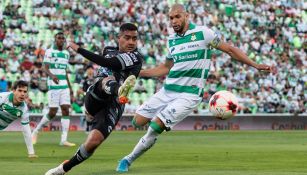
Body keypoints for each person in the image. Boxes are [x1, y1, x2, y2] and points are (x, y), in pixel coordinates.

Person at [116, 4, 273, 172]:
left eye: (177, 17)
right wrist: (138, 73)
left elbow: (230, 50)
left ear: (187, 16)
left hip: (189, 95)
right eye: (171, 18)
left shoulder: (203, 33)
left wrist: (255, 65)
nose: (174, 21)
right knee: (137, 121)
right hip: (168, 90)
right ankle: (154, 127)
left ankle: (127, 159)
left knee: (156, 126)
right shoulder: (172, 40)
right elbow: (165, 67)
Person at [45, 23, 143, 175]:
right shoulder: (108, 50)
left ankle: (63, 169)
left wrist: (78, 49)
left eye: (134, 39)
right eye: (127, 38)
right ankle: (119, 90)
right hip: (96, 93)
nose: (131, 42)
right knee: (107, 80)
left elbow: (109, 63)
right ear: (119, 38)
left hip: (113, 105)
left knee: (92, 143)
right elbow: (106, 65)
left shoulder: (135, 57)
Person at [32, 32, 75, 147]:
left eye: (62, 38)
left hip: (64, 85)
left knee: (66, 109)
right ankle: (36, 131)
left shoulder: (66, 53)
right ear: (55, 40)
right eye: (59, 38)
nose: (61, 40)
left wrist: (70, 88)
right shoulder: (49, 52)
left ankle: (64, 139)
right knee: (53, 112)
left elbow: (64, 71)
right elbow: (44, 68)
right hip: (53, 85)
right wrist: (52, 76)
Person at [0, 80, 37, 158]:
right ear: (13, 91)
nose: (22, 94)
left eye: (24, 91)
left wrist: (31, 153)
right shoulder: (2, 97)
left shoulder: (24, 110)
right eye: (20, 91)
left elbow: (26, 131)